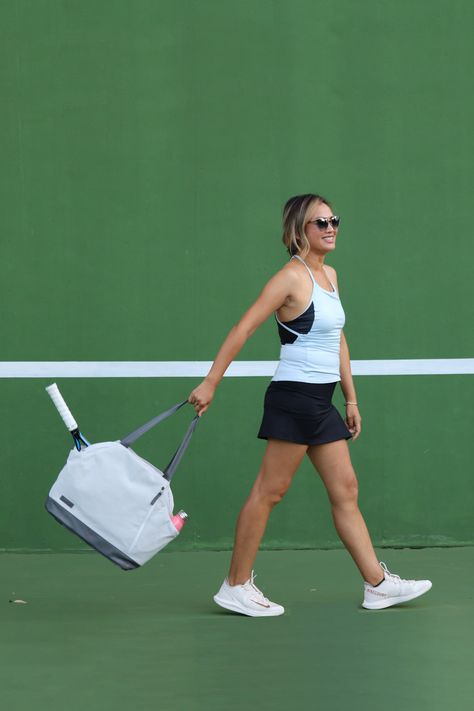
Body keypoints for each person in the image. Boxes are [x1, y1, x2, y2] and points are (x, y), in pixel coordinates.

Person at [188, 193, 432, 617]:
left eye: (334, 220)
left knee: (346, 490)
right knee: (270, 491)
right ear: (299, 230)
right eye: (321, 222)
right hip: (294, 396)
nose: (331, 227)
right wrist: (211, 382)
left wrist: (349, 397)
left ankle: (377, 584)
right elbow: (243, 327)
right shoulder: (290, 278)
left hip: (321, 400)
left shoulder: (331, 275)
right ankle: (235, 585)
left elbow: (336, 337)